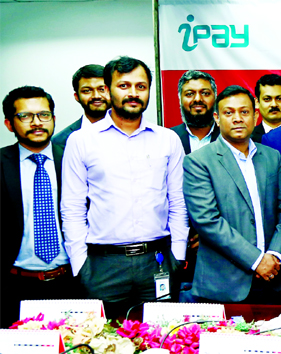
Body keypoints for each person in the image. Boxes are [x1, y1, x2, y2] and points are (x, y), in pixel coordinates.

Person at [61, 56, 188, 317]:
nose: (133, 93)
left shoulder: (168, 140)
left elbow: (178, 203)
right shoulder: (81, 141)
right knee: (102, 342)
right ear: (108, 90)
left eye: (141, 87)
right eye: (124, 85)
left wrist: (177, 256)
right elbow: (72, 208)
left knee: (161, 340)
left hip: (158, 262)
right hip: (102, 266)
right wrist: (80, 265)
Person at [183, 85, 281, 304]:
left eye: (244, 112)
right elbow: (207, 221)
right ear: (216, 117)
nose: (237, 118)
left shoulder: (272, 157)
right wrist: (257, 260)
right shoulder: (199, 161)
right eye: (229, 112)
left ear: (255, 115)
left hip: (274, 276)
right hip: (224, 285)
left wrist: (275, 255)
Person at [1, 86, 77, 327]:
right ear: (9, 124)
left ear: (53, 119)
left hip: (72, 283)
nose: (36, 122)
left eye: (43, 115)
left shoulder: (74, 160)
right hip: (14, 285)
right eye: (25, 116)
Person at [52, 64, 109, 151]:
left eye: (102, 89)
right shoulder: (60, 141)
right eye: (87, 91)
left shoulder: (132, 131)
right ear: (77, 96)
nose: (96, 96)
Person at [169, 70, 219, 154]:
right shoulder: (168, 138)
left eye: (205, 93)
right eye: (189, 94)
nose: (198, 99)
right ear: (180, 99)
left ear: (215, 98)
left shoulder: (229, 137)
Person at [251, 74, 281, 143]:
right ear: (257, 103)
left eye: (279, 99)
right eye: (267, 99)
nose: (274, 104)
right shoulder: (248, 138)